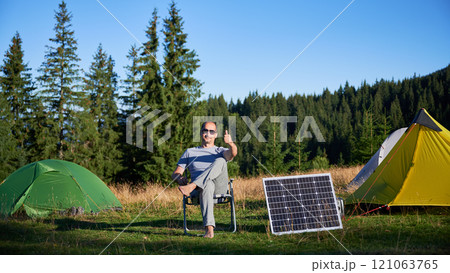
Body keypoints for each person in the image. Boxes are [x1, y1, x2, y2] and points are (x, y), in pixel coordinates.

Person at [172, 121, 238, 238]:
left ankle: (193, 185)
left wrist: (231, 143)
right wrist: (179, 178)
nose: (208, 134)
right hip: (200, 191)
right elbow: (176, 173)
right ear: (201, 133)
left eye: (211, 131)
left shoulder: (220, 151)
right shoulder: (190, 152)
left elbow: (232, 154)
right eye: (205, 131)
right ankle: (209, 230)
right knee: (207, 184)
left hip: (219, 189)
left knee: (221, 160)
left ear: (216, 135)